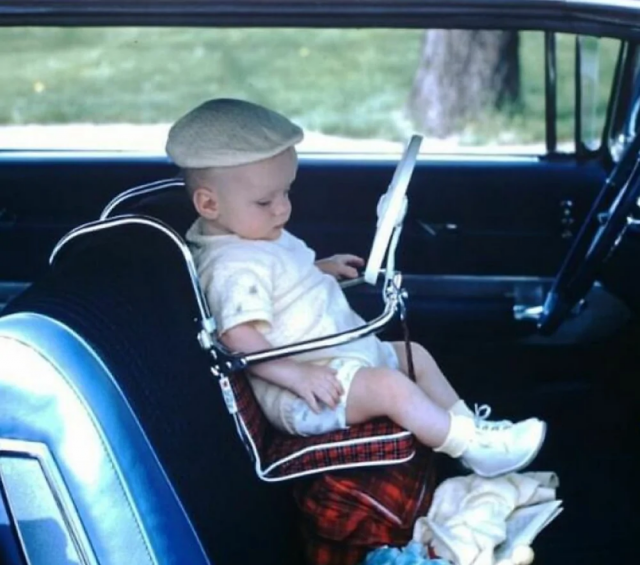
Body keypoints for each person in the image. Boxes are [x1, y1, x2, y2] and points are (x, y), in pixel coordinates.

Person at [168, 98, 546, 478]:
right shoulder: (229, 266)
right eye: (265, 201)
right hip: (306, 391)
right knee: (390, 387)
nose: (282, 209)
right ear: (209, 204)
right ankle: (469, 446)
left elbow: (277, 281)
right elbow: (237, 336)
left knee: (415, 355)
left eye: (287, 192)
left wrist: (319, 269)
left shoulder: (251, 233)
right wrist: (297, 377)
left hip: (335, 358)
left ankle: (473, 431)